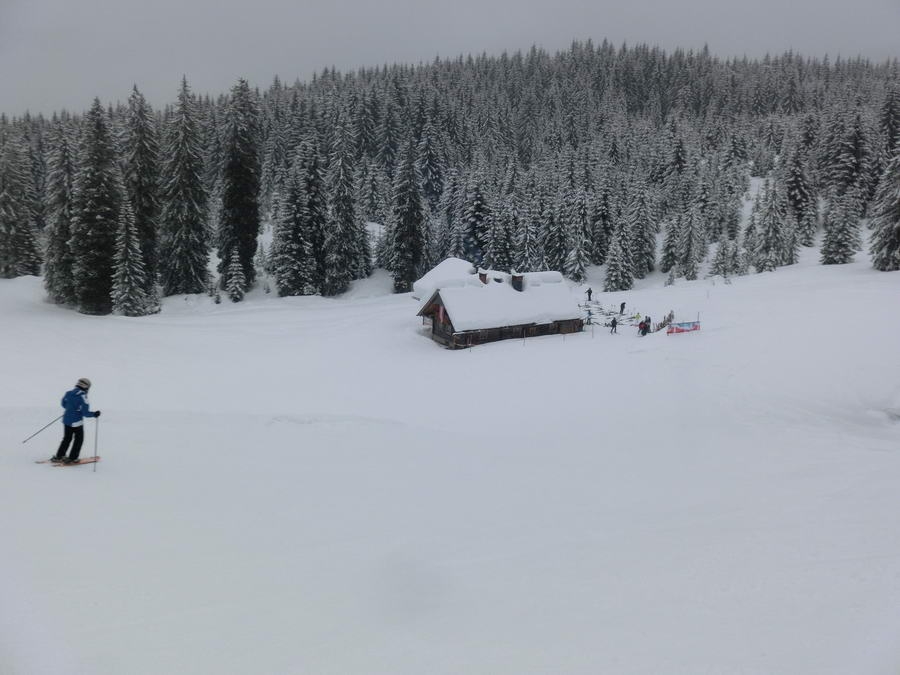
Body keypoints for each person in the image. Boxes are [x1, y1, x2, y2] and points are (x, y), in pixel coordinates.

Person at [52, 378, 101, 463]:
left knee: (67, 438)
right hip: (76, 423)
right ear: (86, 387)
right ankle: (73, 458)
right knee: (78, 439)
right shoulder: (83, 397)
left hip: (66, 420)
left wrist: (71, 409)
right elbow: (85, 413)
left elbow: (63, 404)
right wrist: (94, 414)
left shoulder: (68, 393)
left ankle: (59, 456)